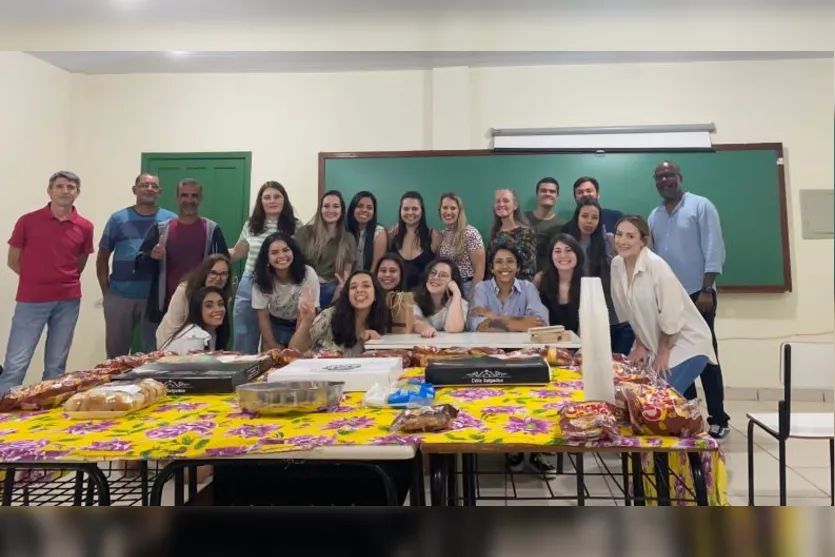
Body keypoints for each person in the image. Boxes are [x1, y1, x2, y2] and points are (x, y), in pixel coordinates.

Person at [647, 160, 730, 440]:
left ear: (680, 177)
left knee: (706, 356)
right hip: (670, 298)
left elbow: (713, 248)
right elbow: (653, 260)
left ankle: (719, 417)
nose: (665, 180)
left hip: (699, 294)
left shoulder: (700, 206)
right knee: (679, 357)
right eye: (660, 176)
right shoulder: (654, 216)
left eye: (670, 175)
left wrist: (707, 289)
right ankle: (688, 412)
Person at [0, 171, 94, 395]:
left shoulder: (85, 226)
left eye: (70, 187)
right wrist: (37, 279)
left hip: (68, 301)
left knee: (56, 366)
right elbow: (13, 260)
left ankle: (46, 414)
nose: (65, 191)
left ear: (77, 193)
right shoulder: (28, 221)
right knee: (16, 363)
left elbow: (79, 262)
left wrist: (61, 280)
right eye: (60, 186)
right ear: (49, 190)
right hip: (31, 300)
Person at [611, 215, 717, 399]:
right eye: (619, 234)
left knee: (659, 399)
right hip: (654, 343)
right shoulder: (616, 265)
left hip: (685, 342)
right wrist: (640, 344)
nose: (622, 241)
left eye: (630, 236)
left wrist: (663, 352)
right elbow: (630, 313)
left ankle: (687, 424)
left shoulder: (656, 265)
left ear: (643, 241)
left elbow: (672, 312)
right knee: (633, 394)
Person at [97, 173, 177, 358]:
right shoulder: (118, 218)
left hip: (155, 298)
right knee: (117, 358)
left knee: (154, 355)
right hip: (120, 296)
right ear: (135, 190)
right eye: (144, 185)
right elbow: (102, 257)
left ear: (160, 192)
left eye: (154, 186)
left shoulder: (170, 220)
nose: (149, 189)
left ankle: (151, 388)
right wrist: (107, 293)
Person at [135, 178, 229, 336]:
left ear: (200, 199)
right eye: (184, 195)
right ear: (177, 198)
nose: (189, 200)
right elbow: (138, 265)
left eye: (194, 195)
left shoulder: (212, 230)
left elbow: (223, 267)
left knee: (201, 359)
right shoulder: (160, 230)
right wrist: (152, 256)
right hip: (164, 311)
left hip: (202, 312)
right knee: (161, 358)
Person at [228, 181, 299, 354]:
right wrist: (212, 252)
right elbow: (238, 252)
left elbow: (299, 257)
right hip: (249, 284)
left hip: (280, 285)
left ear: (284, 200)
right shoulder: (251, 225)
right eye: (267, 197)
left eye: (277, 196)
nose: (272, 200)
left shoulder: (295, 225)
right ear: (261, 201)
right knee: (244, 339)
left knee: (273, 343)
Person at [562, 198, 635, 354]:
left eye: (594, 217)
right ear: (577, 217)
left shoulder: (610, 240)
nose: (589, 221)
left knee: (619, 368)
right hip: (587, 316)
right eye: (585, 216)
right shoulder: (568, 244)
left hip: (618, 316)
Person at [289, 270, 389, 357]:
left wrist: (371, 345)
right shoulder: (329, 316)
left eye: (366, 286)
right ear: (347, 295)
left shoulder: (381, 321)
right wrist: (307, 321)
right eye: (353, 287)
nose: (359, 290)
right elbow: (294, 350)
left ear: (375, 294)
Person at [252, 233, 320, 350]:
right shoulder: (260, 279)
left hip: (302, 323)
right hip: (274, 324)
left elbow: (304, 315)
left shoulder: (308, 274)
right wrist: (272, 345)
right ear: (267, 258)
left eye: (285, 250)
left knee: (298, 357)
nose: (281, 256)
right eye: (274, 253)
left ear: (293, 252)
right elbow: (263, 317)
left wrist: (295, 347)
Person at [294, 190, 357, 310]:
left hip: (332, 291)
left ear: (342, 210)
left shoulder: (348, 238)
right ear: (320, 209)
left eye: (336, 206)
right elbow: (295, 265)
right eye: (326, 206)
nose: (331, 210)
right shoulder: (304, 233)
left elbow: (346, 275)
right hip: (305, 288)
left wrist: (339, 291)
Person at [155, 255, 233, 349]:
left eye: (223, 274)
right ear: (205, 273)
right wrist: (168, 352)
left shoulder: (225, 295)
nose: (218, 278)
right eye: (213, 273)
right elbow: (173, 326)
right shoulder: (185, 291)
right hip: (174, 341)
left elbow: (220, 329)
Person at [468, 246, 549, 333]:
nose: (505, 266)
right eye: (499, 262)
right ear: (492, 268)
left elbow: (541, 324)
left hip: (522, 345)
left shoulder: (528, 288)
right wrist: (522, 323)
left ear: (518, 267)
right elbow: (477, 325)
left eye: (510, 261)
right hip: (489, 345)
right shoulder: (482, 288)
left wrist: (494, 317)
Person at [388, 191, 442, 291]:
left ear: (422, 210)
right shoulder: (392, 236)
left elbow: (441, 270)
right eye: (406, 209)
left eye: (415, 209)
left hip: (424, 298)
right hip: (396, 298)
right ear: (400, 211)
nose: (410, 212)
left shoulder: (434, 236)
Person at [437, 193, 485, 299]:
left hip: (466, 287)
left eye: (453, 208)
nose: (448, 212)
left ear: (459, 211)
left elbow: (479, 270)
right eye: (445, 207)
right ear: (440, 210)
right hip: (447, 289)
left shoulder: (470, 233)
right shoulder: (442, 235)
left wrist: (471, 296)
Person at [159, 286, 230, 355]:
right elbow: (193, 367)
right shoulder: (195, 337)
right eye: (209, 306)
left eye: (220, 304)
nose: (218, 309)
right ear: (197, 310)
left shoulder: (213, 333)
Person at [538, 234, 584, 334]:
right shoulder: (540, 281)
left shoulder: (587, 284)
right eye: (557, 251)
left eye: (568, 250)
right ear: (551, 256)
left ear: (577, 253)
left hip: (580, 344)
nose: (563, 255)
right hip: (548, 343)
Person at [487, 189, 537, 281]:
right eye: (498, 201)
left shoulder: (526, 233)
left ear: (515, 205)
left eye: (506, 201)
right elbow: (490, 267)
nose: (501, 204)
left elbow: (529, 270)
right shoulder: (495, 234)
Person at [412, 258, 468, 338]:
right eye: (433, 273)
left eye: (443, 275)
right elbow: (414, 321)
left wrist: (456, 293)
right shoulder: (414, 299)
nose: (436, 277)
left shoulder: (459, 302)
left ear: (453, 281)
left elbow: (453, 329)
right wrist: (426, 328)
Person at [524, 177, 565, 272]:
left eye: (552, 191)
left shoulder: (563, 225)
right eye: (543, 191)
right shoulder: (521, 219)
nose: (547, 194)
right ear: (537, 195)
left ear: (557, 197)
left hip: (548, 277)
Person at [346, 191, 387, 272]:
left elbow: (375, 268)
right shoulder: (345, 230)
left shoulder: (379, 233)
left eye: (369, 207)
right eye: (360, 206)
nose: (364, 210)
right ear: (353, 209)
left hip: (369, 279)